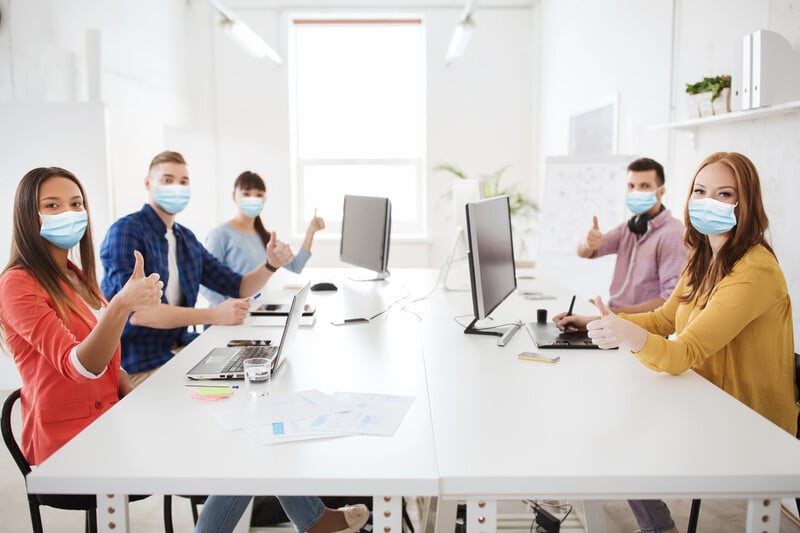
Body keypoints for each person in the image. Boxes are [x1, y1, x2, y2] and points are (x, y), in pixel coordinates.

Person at [556, 152, 798, 533]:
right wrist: (599, 322)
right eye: (700, 192)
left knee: (622, 438)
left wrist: (631, 337)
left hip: (747, 421)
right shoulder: (703, 256)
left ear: (745, 203)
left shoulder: (755, 271)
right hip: (704, 395)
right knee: (612, 421)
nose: (707, 202)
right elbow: (665, 318)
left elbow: (685, 351)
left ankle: (658, 527)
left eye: (723, 194)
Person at [0, 167, 163, 466]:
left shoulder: (76, 276)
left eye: (76, 204)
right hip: (67, 443)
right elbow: (79, 366)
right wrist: (121, 305)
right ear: (27, 215)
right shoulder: (16, 283)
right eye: (52, 205)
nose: (69, 212)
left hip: (108, 419)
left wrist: (124, 380)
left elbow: (104, 352)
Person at [100, 151, 294, 384]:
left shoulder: (186, 239)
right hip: (139, 366)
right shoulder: (127, 232)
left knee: (261, 368)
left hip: (179, 350)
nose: (177, 188)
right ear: (148, 184)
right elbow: (140, 313)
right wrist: (214, 314)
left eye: (183, 182)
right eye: (167, 180)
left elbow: (239, 286)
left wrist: (271, 264)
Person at [577, 157, 687, 313]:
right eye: (631, 186)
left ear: (661, 192)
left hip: (645, 329)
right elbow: (585, 253)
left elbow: (670, 302)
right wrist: (587, 243)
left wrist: (611, 313)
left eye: (645, 186)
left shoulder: (672, 234)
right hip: (616, 320)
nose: (636, 191)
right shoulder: (629, 228)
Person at [201, 170, 325, 306]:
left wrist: (311, 231)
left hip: (255, 313)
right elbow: (206, 284)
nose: (252, 200)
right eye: (246, 194)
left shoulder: (267, 239)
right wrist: (226, 310)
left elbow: (296, 266)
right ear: (234, 196)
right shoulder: (219, 235)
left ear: (265, 199)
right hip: (225, 320)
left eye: (258, 195)